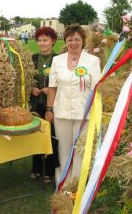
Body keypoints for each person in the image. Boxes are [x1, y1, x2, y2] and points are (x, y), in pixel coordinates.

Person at [45, 25, 101, 184]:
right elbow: (52, 88)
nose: (74, 43)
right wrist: (49, 109)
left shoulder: (93, 61)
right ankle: (62, 185)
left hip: (84, 115)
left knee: (80, 153)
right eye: (70, 39)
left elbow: (97, 89)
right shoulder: (57, 60)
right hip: (61, 113)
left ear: (83, 41)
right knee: (63, 150)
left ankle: (76, 187)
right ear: (65, 41)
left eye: (77, 39)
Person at [30, 27, 60, 183]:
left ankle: (49, 170)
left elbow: (64, 82)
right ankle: (36, 168)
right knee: (36, 135)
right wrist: (31, 88)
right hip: (36, 105)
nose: (42, 43)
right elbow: (26, 80)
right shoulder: (32, 58)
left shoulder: (59, 59)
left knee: (51, 136)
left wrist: (53, 89)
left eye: (45, 40)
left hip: (52, 104)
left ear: (53, 41)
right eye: (40, 40)